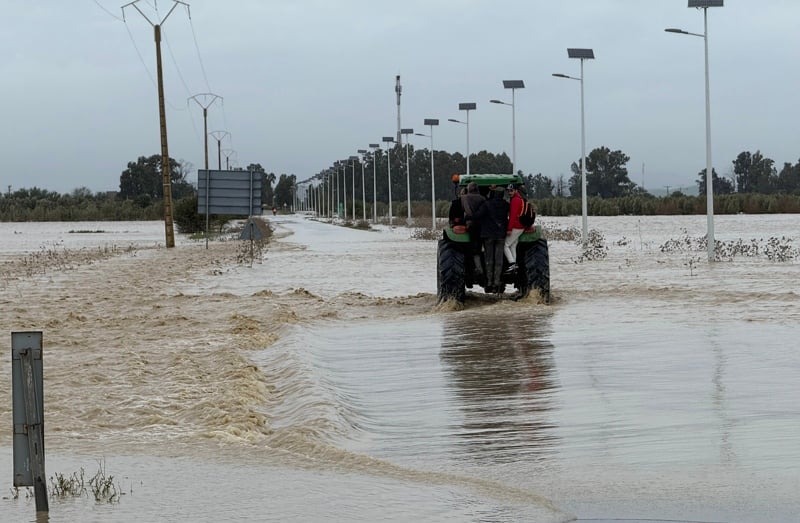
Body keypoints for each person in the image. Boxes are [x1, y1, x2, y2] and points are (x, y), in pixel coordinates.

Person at [473, 185, 509, 293]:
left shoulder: (487, 204)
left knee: (489, 259)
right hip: (501, 235)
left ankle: (489, 282)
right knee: (499, 260)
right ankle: (497, 282)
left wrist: (469, 217)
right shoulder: (506, 205)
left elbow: (477, 215)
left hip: (488, 235)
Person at [461, 182, 486, 277]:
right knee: (481, 247)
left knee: (472, 249)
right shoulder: (483, 199)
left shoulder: (464, 198)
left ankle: (475, 269)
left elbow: (462, 210)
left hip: (470, 225)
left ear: (469, 189)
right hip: (482, 226)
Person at [504, 183, 525, 273]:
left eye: (511, 191)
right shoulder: (520, 199)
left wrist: (509, 229)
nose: (509, 192)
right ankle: (514, 266)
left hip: (516, 226)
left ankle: (512, 264)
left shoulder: (515, 200)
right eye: (508, 191)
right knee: (513, 245)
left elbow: (512, 216)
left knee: (505, 245)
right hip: (521, 226)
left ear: (516, 190)